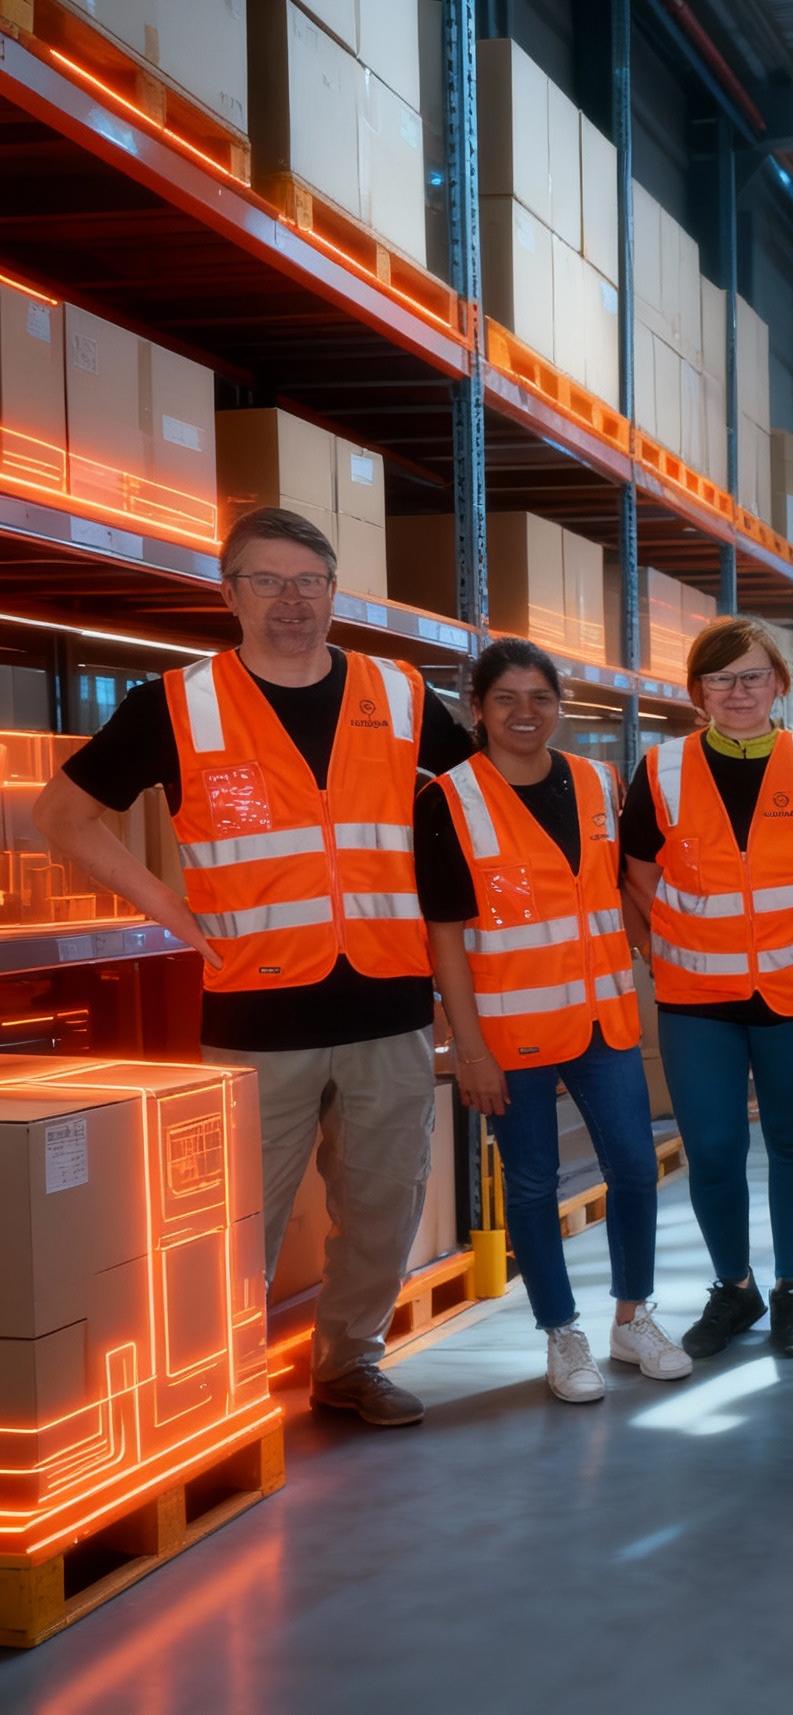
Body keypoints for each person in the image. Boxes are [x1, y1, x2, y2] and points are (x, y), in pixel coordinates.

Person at [33, 507, 471, 1428]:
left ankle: (349, 1366)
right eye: (267, 581)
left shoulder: (395, 694)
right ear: (229, 594)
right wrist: (172, 914)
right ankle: (209, 1384)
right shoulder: (177, 705)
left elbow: (481, 807)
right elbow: (62, 816)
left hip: (388, 1007)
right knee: (231, 1222)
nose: (291, 602)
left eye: (309, 581)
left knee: (385, 1205)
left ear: (333, 592)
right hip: (254, 1011)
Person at [417, 639, 691, 1402]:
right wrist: (469, 1050)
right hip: (512, 1033)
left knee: (636, 1169)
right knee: (534, 1186)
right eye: (505, 699)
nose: (524, 713)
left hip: (605, 1019)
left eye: (539, 698)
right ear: (477, 710)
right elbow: (443, 932)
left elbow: (626, 890)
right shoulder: (449, 800)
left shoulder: (601, 782)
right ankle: (561, 1332)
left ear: (559, 706)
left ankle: (633, 1319)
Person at [621, 617, 793, 1362]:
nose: (739, 691)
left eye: (753, 676)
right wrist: (665, 945)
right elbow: (639, 875)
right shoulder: (661, 770)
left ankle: (791, 1289)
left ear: (780, 684)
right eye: (721, 679)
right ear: (697, 693)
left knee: (791, 1143)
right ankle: (734, 1287)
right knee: (713, 1149)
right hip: (697, 1000)